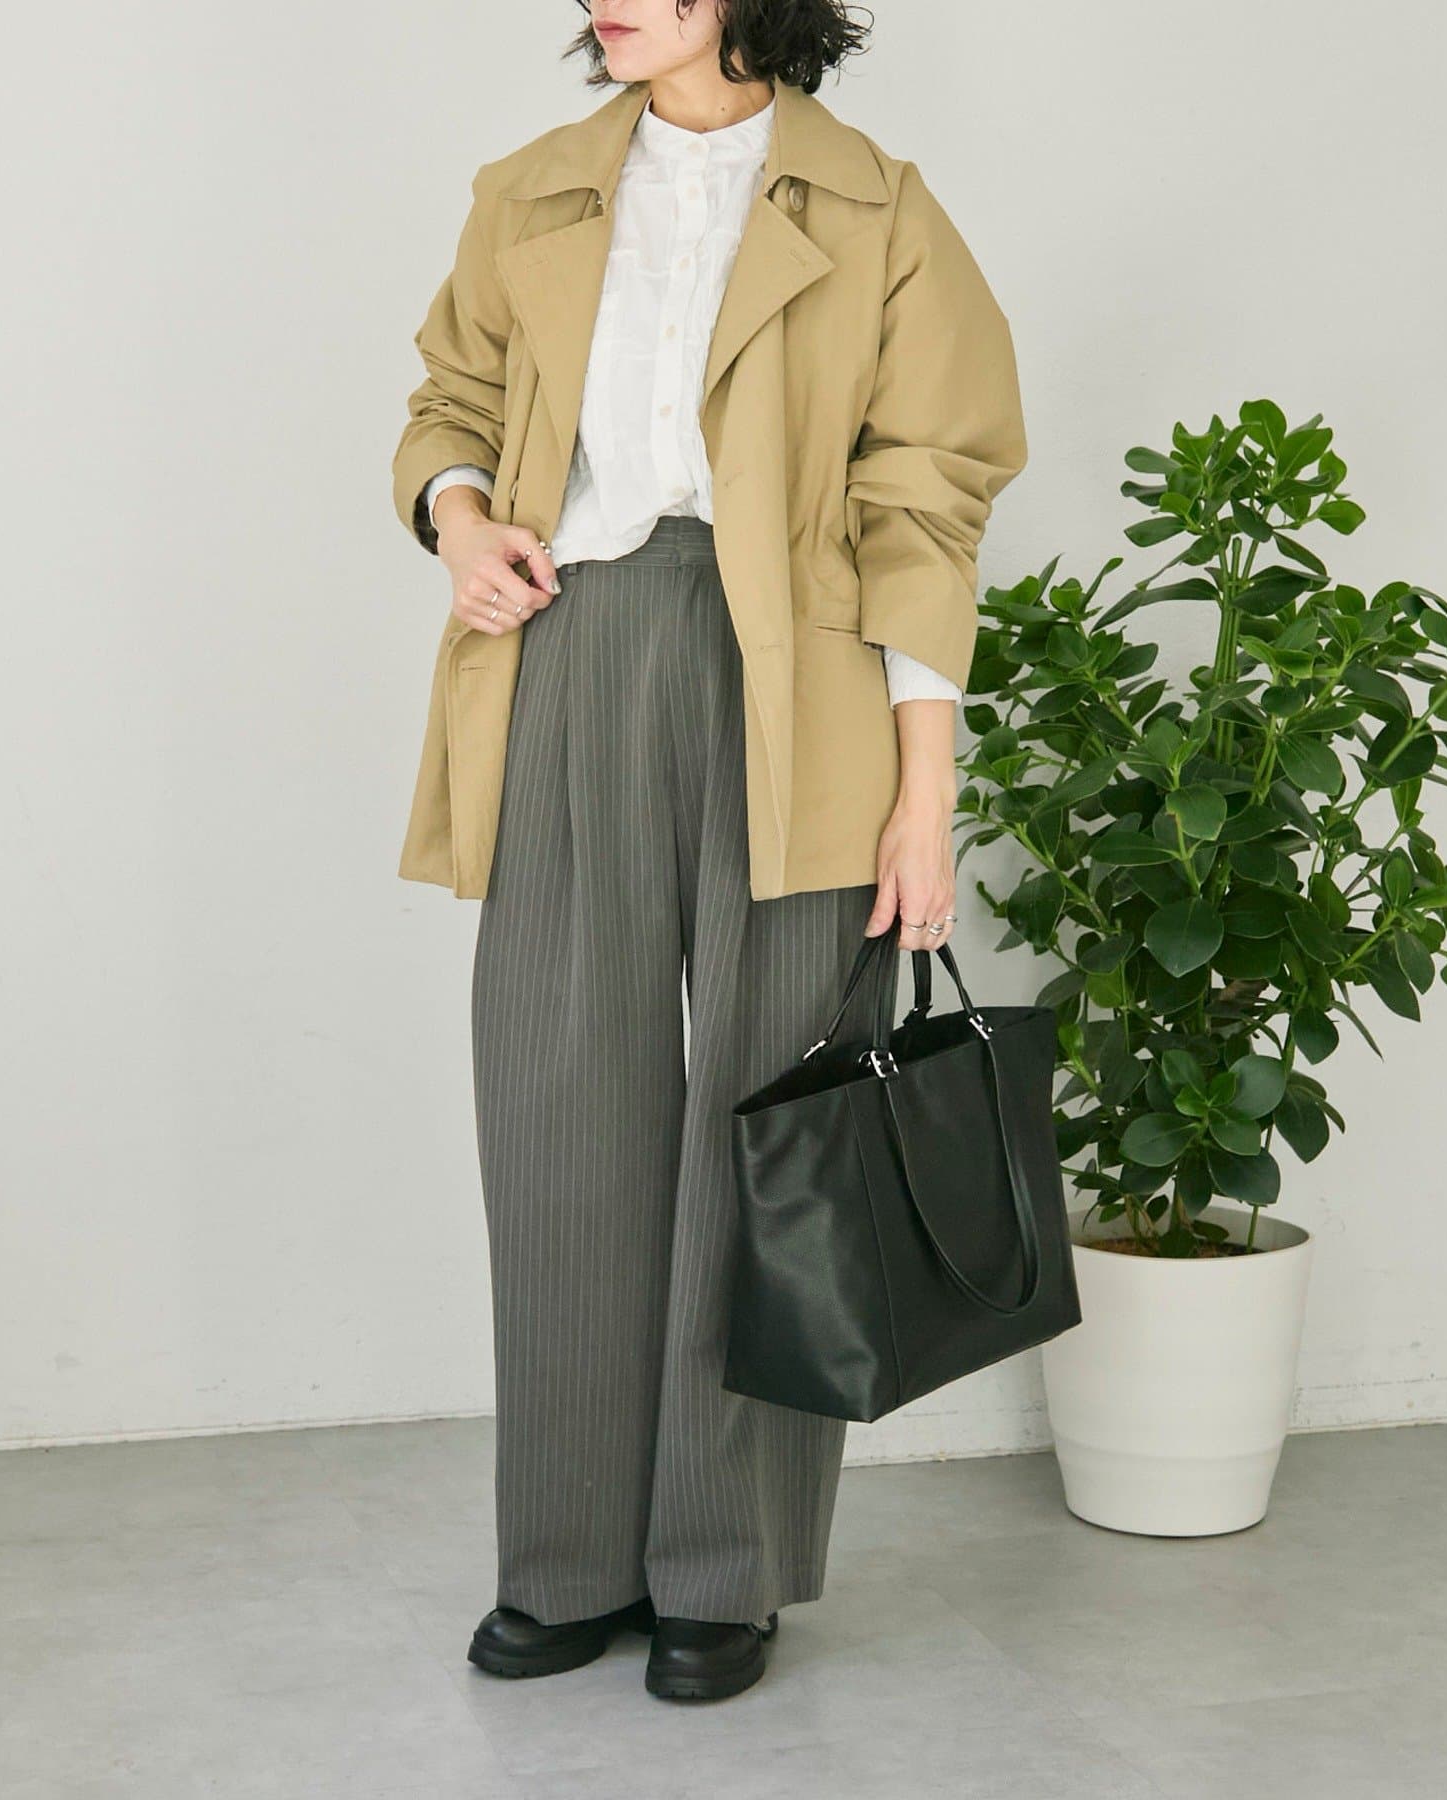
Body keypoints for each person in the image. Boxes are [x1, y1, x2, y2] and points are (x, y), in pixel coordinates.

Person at [390, 0, 1028, 1702]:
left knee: (774, 1123)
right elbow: (449, 402)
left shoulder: (879, 207)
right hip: (575, 648)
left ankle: (722, 1567)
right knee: (560, 1104)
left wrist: (924, 791)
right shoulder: (530, 188)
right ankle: (569, 1558)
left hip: (803, 681)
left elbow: (928, 499)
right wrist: (462, 520)